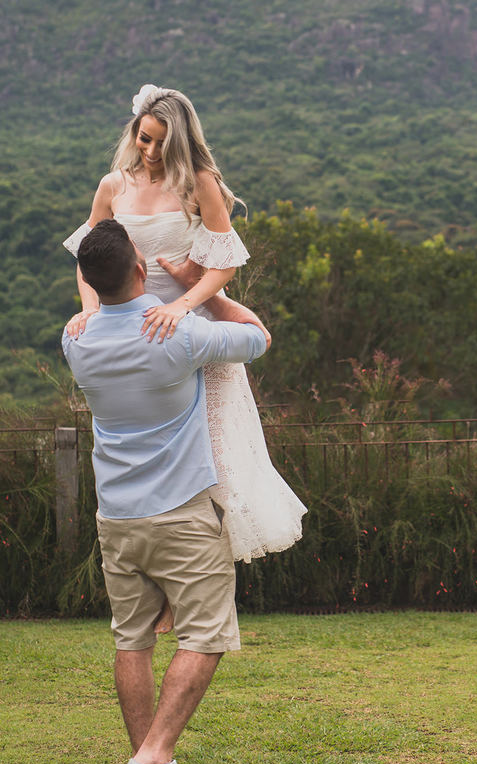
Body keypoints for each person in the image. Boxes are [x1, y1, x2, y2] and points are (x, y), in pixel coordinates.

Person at [63, 84, 306, 578]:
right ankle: (156, 566)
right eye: (143, 138)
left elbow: (223, 262)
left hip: (188, 326)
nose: (149, 152)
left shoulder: (200, 183)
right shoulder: (113, 186)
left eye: (160, 143)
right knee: (143, 441)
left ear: (180, 140)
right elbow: (88, 258)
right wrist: (89, 308)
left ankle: (203, 567)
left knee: (215, 455)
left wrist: (182, 306)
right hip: (126, 323)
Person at [63, 219, 267, 764]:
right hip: (181, 514)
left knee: (132, 641)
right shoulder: (179, 336)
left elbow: (90, 310)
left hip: (116, 518)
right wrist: (203, 290)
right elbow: (258, 337)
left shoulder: (75, 342)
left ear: (88, 280)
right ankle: (154, 758)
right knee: (205, 635)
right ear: (138, 269)